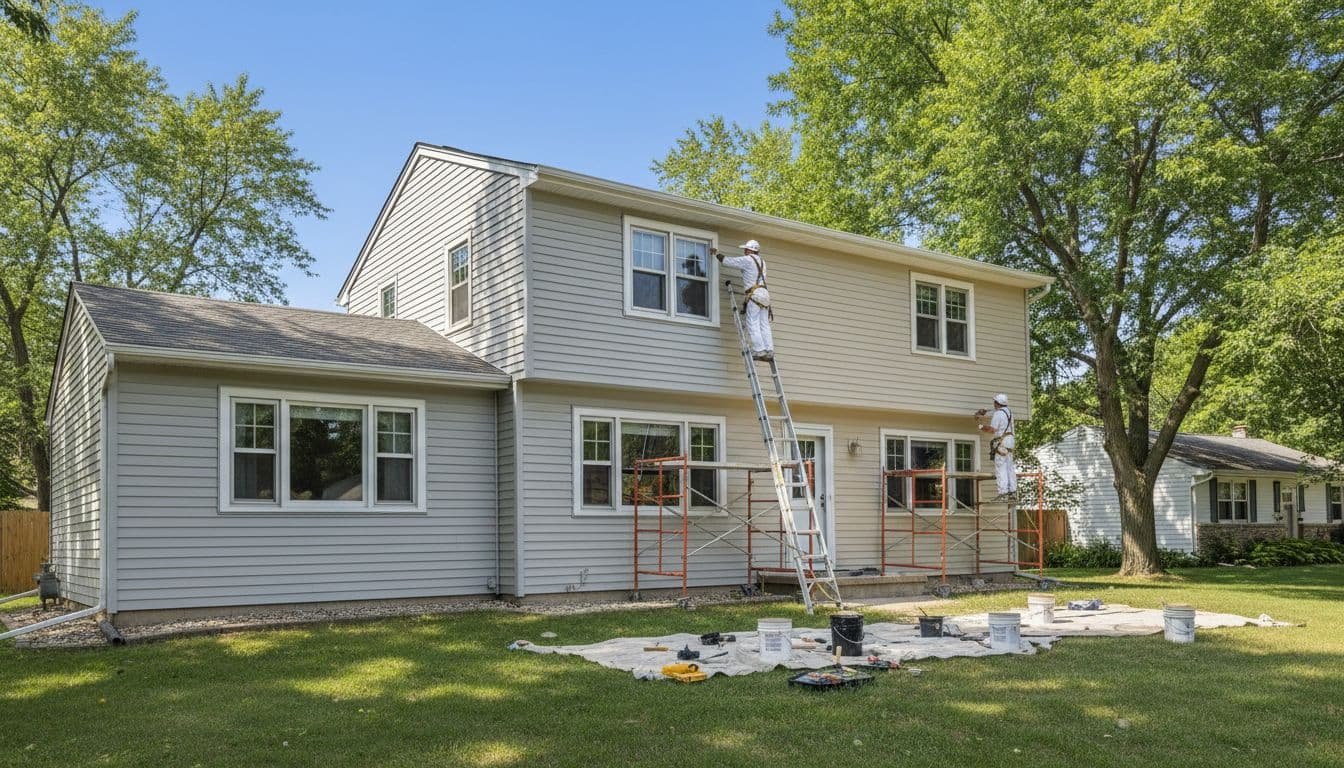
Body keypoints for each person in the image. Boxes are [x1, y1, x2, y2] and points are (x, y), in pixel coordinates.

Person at [714, 239, 774, 361]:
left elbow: (728, 261)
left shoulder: (747, 260)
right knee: (764, 324)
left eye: (746, 249)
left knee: (752, 322)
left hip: (754, 294)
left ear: (750, 250)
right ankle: (769, 349)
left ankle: (759, 350)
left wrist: (716, 254)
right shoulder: (763, 262)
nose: (744, 251)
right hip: (764, 294)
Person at [975, 393, 1016, 501]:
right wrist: (984, 412)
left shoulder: (998, 414)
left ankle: (1003, 492)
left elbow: (992, 430)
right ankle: (1012, 491)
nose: (993, 403)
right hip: (1010, 441)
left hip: (1002, 442)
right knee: (1009, 467)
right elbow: (998, 412)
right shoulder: (1009, 412)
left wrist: (981, 426)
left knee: (1000, 466)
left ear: (997, 403)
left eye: (994, 402)